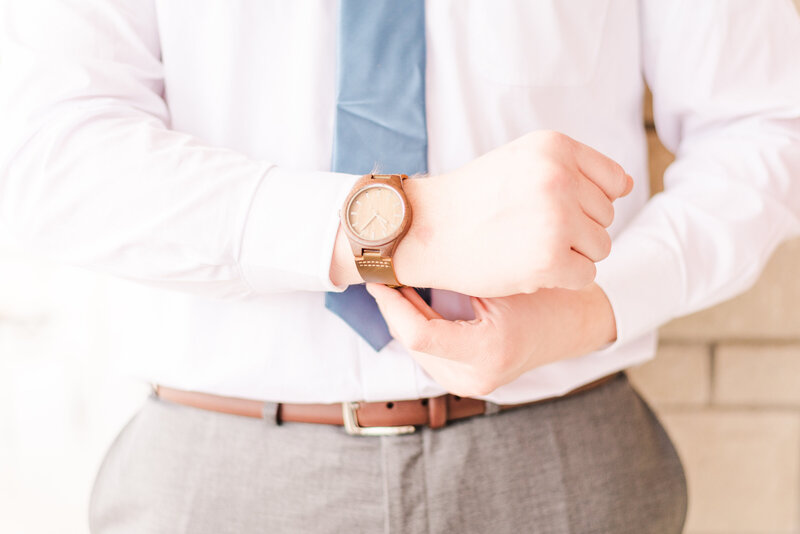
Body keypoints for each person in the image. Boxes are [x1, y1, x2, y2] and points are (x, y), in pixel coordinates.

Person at [1, 1, 799, 532]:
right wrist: (409, 227)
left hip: (558, 461)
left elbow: (765, 125)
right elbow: (47, 152)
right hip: (220, 475)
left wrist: (596, 309)